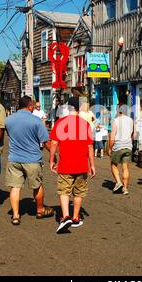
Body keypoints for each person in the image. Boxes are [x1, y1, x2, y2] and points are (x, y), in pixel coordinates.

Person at [5, 96, 55, 225]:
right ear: (29, 106)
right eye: (32, 105)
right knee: (37, 186)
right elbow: (46, 141)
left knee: (15, 187)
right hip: (32, 158)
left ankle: (15, 216)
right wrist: (53, 156)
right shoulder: (36, 121)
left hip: (14, 158)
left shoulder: (9, 120)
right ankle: (40, 210)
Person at [49, 97, 95, 233]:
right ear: (79, 108)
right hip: (81, 165)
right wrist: (92, 164)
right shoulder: (85, 124)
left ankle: (65, 216)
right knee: (79, 192)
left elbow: (54, 143)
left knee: (64, 190)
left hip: (65, 164)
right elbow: (90, 147)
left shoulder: (60, 123)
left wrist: (52, 160)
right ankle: (75, 217)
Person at [108, 102, 134, 195]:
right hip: (128, 146)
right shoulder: (131, 120)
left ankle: (118, 182)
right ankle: (125, 188)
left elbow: (112, 137)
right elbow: (133, 135)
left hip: (118, 146)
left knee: (113, 164)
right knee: (125, 167)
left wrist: (110, 148)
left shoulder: (116, 120)